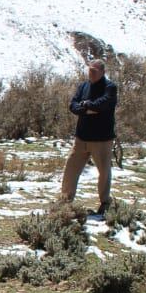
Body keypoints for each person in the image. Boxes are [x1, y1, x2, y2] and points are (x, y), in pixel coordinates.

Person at [59, 59, 118, 214]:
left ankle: (105, 203)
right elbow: (73, 105)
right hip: (81, 138)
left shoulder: (110, 88)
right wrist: (87, 108)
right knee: (70, 169)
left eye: (94, 71)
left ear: (103, 72)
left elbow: (103, 104)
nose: (91, 73)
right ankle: (65, 201)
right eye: (90, 70)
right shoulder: (83, 86)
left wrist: (86, 105)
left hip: (102, 140)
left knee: (104, 172)